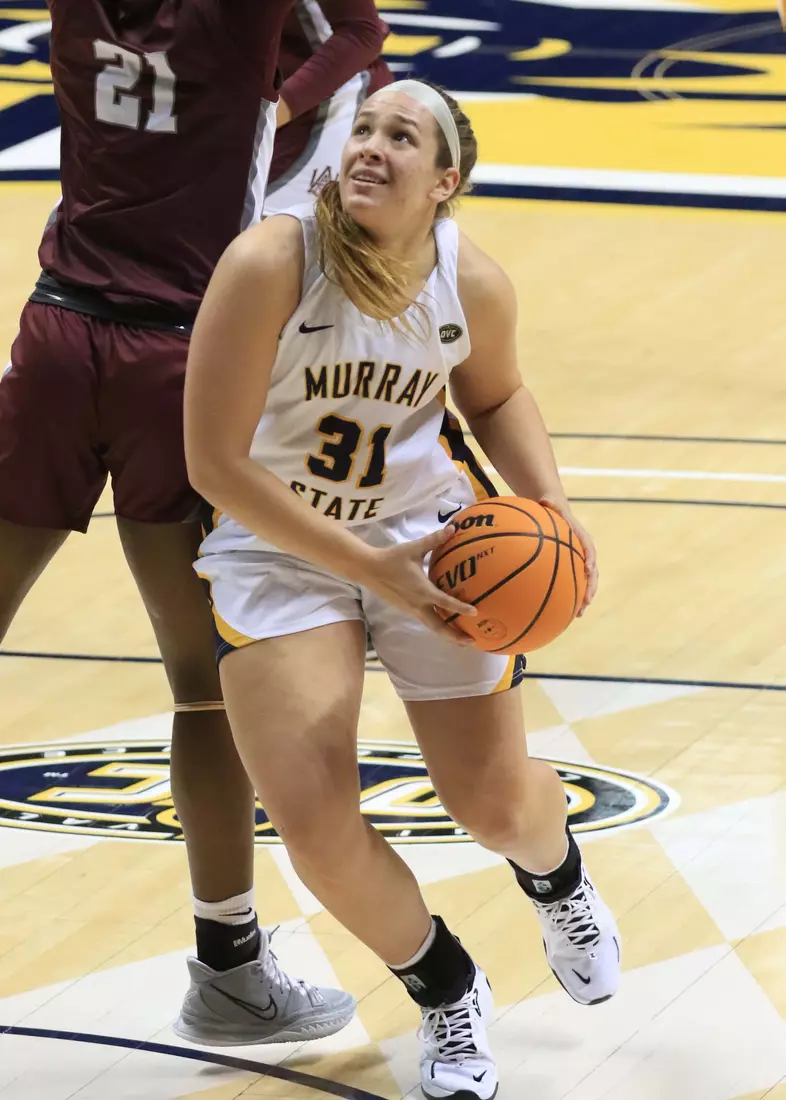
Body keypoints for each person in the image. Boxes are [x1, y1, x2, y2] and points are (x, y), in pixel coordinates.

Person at [184, 79, 622, 1096]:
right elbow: (214, 462)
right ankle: (447, 987)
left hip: (430, 538)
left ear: (445, 181)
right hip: (277, 546)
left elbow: (499, 392)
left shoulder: (470, 281)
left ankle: (556, 875)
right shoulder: (269, 263)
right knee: (313, 822)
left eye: (401, 136)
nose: (372, 147)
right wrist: (362, 564)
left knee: (496, 802)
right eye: (363, 129)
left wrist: (549, 504)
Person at [0, 0, 354, 1047]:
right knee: (206, 689)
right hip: (178, 360)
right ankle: (229, 969)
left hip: (58, 331)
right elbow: (361, 34)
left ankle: (234, 971)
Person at [266, 0, 393, 216]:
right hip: (245, 103)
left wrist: (274, 113)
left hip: (328, 100)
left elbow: (361, 33)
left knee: (266, 238)